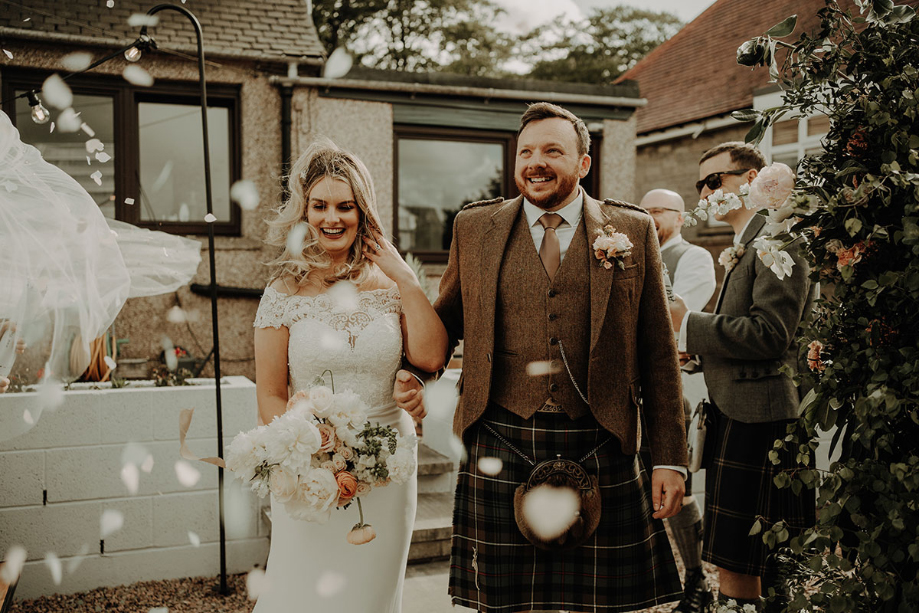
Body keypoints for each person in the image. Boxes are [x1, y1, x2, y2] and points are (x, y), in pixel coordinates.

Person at [433, 102, 688, 612]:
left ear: (584, 163)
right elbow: (445, 322)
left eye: (553, 150)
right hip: (500, 436)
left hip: (602, 437)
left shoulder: (631, 229)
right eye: (526, 151)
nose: (535, 162)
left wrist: (670, 459)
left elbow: (659, 353)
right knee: (504, 602)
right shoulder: (475, 228)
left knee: (602, 604)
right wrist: (412, 370)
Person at [251, 140, 447, 613]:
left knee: (372, 596)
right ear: (305, 211)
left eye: (345, 206)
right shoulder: (283, 290)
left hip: (390, 467)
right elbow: (271, 393)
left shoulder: (392, 284)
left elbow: (433, 354)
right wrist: (311, 453)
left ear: (363, 211)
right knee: (301, 590)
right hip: (311, 472)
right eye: (319, 206)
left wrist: (408, 280)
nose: (331, 218)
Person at [669, 142, 814, 610]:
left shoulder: (776, 242)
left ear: (752, 180)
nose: (706, 192)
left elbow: (771, 334)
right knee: (752, 559)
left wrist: (686, 322)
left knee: (741, 560)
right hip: (739, 413)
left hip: (759, 421)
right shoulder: (744, 247)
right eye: (700, 184)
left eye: (716, 180)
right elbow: (739, 337)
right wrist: (693, 355)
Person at [639, 189, 716, 613]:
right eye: (643, 209)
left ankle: (697, 578)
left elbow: (676, 317)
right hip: (623, 388)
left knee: (675, 486)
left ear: (681, 217)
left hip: (666, 390)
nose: (648, 217)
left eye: (657, 211)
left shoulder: (694, 258)